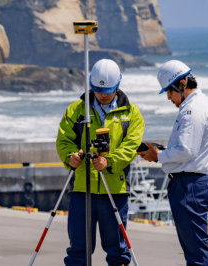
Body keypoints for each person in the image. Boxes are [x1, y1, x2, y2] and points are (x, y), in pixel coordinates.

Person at [56, 59, 144, 266]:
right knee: (78, 251)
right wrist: (70, 156)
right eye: (98, 90)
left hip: (114, 190)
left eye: (108, 90)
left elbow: (131, 146)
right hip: (81, 189)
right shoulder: (76, 110)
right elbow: (63, 139)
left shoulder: (131, 114)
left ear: (118, 85)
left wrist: (109, 161)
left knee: (117, 252)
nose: (103, 95)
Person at [138, 60, 208, 266]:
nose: (168, 97)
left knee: (197, 253)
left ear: (182, 84)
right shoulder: (198, 104)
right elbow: (188, 148)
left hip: (189, 185)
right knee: (195, 249)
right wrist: (162, 152)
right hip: (190, 183)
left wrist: (157, 156)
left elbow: (186, 150)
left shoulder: (193, 109)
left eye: (169, 91)